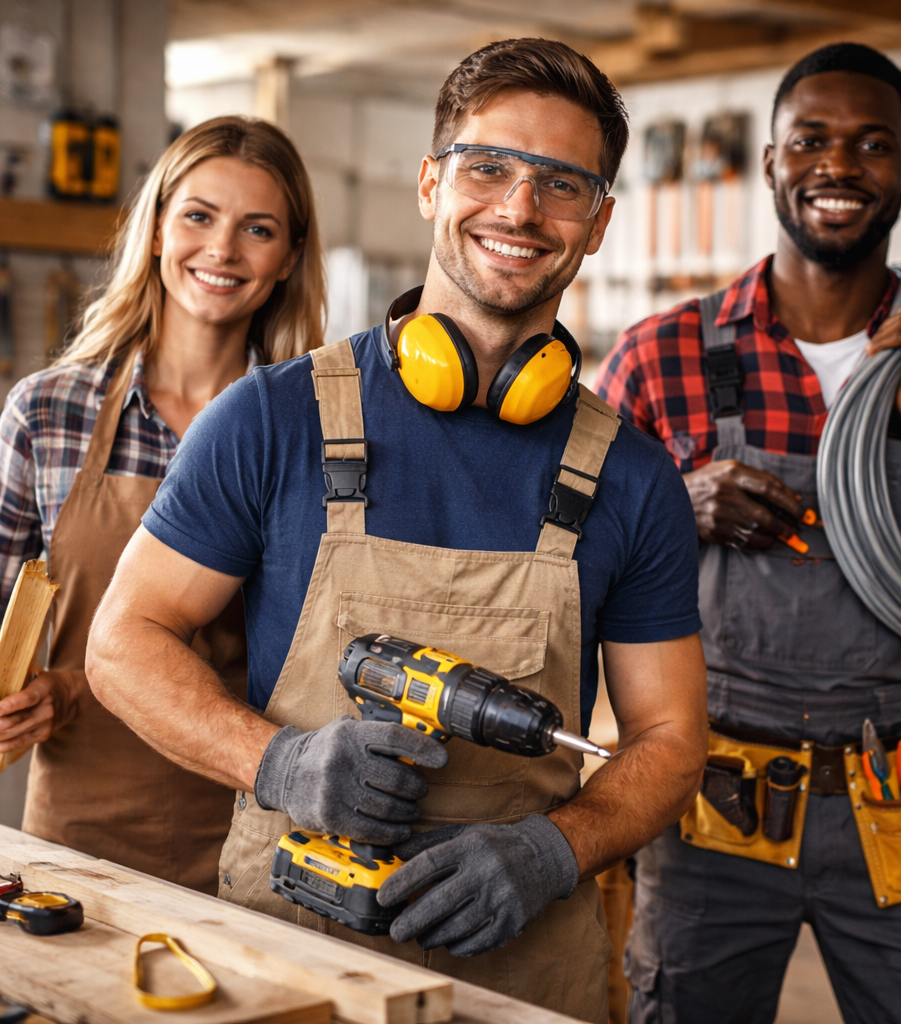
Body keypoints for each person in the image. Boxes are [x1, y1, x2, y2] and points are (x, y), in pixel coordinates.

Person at [85, 38, 707, 1022]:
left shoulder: (629, 474)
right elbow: (123, 644)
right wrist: (276, 762)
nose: (517, 207)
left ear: (597, 222)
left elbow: (670, 737)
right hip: (285, 956)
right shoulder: (271, 418)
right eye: (488, 167)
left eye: (560, 184)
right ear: (430, 183)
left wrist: (559, 847)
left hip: (522, 965)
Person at [597, 43, 901, 1024]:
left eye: (872, 145)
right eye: (811, 141)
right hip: (712, 795)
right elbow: (570, 569)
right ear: (771, 161)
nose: (839, 166)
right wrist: (680, 500)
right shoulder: (662, 359)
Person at [0, 116, 325, 895]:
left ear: (288, 259)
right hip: (80, 835)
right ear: (154, 231)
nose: (222, 250)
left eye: (258, 228)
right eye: (199, 216)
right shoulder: (48, 414)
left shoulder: (316, 432)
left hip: (266, 832)